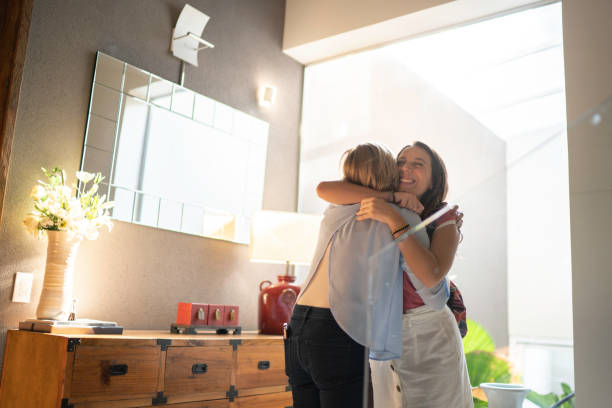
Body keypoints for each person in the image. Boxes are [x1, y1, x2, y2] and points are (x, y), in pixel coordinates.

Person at [316, 141, 473, 408]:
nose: (406, 168)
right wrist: (388, 200)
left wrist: (393, 218)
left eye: (418, 164)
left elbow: (432, 276)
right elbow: (324, 189)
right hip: (385, 331)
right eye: (401, 161)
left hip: (430, 332)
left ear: (434, 180)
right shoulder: (380, 199)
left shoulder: (443, 218)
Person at [284, 143, 432, 408]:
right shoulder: (401, 216)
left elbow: (325, 187)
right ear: (388, 176)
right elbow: (430, 279)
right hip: (336, 327)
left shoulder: (335, 207)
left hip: (299, 323)